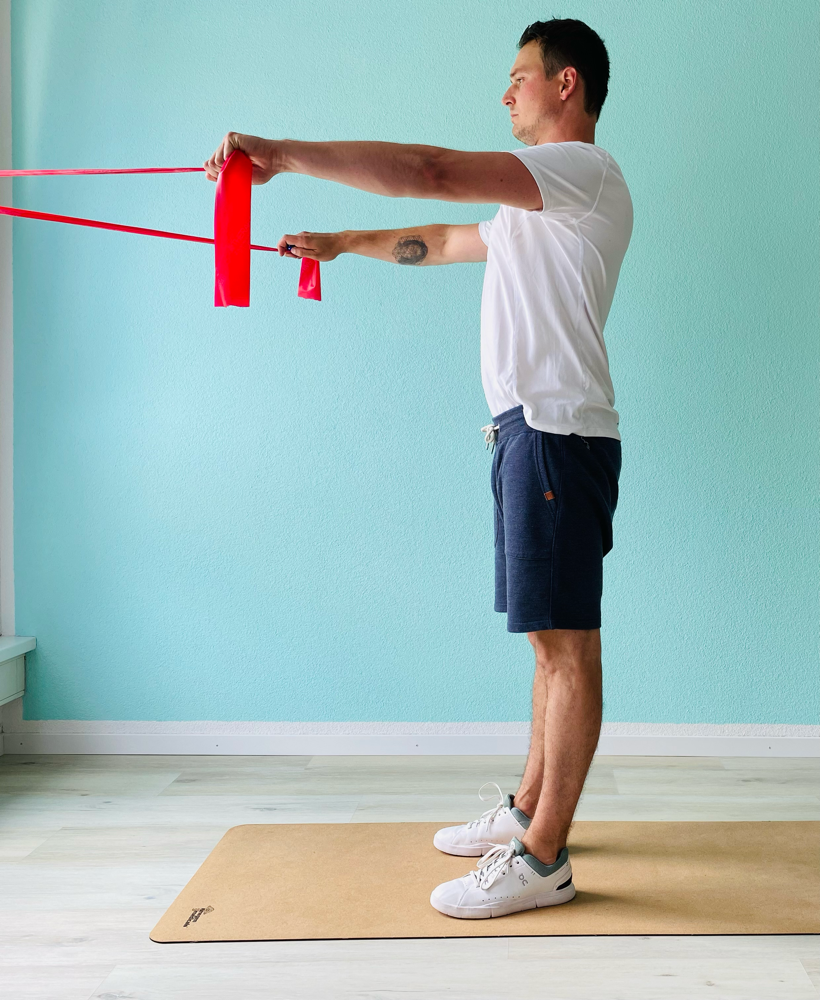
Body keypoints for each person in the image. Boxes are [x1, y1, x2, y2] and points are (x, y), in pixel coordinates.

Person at [204, 17, 633, 920]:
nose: (505, 92)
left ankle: (543, 858)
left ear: (566, 85)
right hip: (530, 432)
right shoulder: (533, 209)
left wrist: (280, 152)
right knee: (546, 643)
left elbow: (433, 170)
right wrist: (342, 243)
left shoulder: (580, 174)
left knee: (566, 647)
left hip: (556, 431)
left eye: (519, 76)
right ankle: (527, 811)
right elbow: (439, 238)